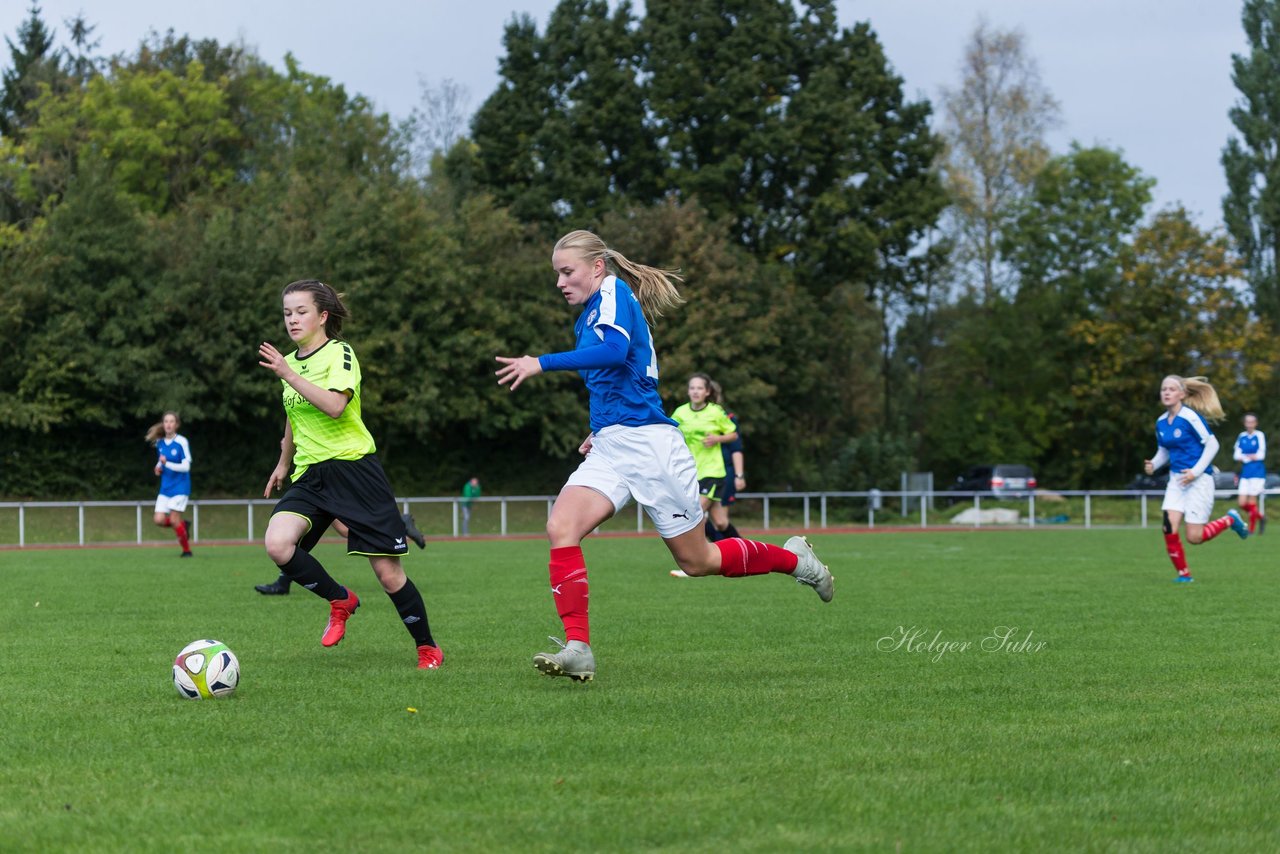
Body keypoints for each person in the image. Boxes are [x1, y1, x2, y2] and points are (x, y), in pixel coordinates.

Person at [495, 230, 833, 682]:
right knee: (561, 526)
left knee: (698, 561)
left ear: (597, 267)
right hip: (615, 445)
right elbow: (619, 376)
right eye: (557, 273)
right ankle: (578, 647)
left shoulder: (613, 290)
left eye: (567, 271)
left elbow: (614, 353)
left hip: (652, 449)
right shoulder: (591, 312)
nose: (560, 281)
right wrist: (600, 429)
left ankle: (796, 560)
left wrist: (542, 362)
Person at [258, 279, 442, 669]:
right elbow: (295, 416)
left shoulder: (340, 353)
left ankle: (427, 647)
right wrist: (283, 463)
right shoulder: (290, 362)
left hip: (353, 470)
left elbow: (335, 407)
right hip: (310, 475)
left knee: (389, 574)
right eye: (287, 312)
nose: (292, 319)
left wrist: (288, 375)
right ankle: (340, 599)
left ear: (323, 316)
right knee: (278, 544)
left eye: (301, 311)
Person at [1143, 375, 1249, 583]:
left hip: (1199, 481)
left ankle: (1229, 519)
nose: (1166, 392)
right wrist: (1154, 464)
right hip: (1176, 481)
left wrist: (1195, 471)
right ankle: (1184, 575)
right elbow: (1164, 450)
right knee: (1168, 526)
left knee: (1194, 537)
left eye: (1172, 389)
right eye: (1164, 389)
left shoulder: (1190, 417)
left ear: (1182, 394)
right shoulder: (1161, 422)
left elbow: (1213, 445)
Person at [254, 514, 427, 595]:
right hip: (317, 480)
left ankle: (400, 524)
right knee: (299, 536)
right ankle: (283, 582)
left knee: (345, 530)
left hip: (329, 479)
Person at [147, 411, 193, 557]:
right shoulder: (159, 443)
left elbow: (186, 466)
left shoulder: (182, 442)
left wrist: (168, 464)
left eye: (171, 421)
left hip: (180, 486)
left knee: (174, 519)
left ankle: (187, 551)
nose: (168, 424)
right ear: (163, 424)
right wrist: (158, 468)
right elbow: (161, 461)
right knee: (159, 520)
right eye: (166, 421)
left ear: (177, 425)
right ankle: (182, 525)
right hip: (165, 488)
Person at [1233, 412, 1267, 535]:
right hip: (1245, 473)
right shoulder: (1241, 436)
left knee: (1252, 501)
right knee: (1242, 502)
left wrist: (1245, 456)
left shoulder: (1259, 435)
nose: (1249, 424)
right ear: (1244, 423)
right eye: (1247, 422)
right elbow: (1236, 455)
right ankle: (1261, 517)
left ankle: (1251, 529)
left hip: (1257, 473)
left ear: (1256, 423)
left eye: (1252, 422)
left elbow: (1261, 455)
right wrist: (1249, 456)